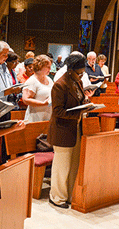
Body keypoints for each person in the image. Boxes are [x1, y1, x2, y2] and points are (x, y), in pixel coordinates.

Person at [48, 52, 94, 209]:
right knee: (62, 167)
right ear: (69, 70)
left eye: (83, 73)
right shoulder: (60, 85)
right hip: (62, 130)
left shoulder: (77, 82)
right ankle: (57, 197)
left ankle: (68, 195)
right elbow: (58, 111)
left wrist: (86, 102)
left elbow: (79, 100)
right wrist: (79, 112)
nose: (81, 76)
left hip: (76, 129)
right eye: (79, 73)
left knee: (74, 165)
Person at [22, 55, 54, 122]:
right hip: (35, 118)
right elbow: (25, 99)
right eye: (48, 67)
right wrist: (43, 103)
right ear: (40, 66)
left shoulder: (49, 79)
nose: (50, 69)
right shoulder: (32, 81)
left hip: (47, 116)